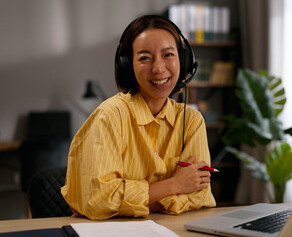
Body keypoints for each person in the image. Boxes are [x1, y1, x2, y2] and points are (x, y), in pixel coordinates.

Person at [61, 15, 216, 220]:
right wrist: (174, 185)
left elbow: (201, 196)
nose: (158, 68)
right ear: (127, 65)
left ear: (184, 61)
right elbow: (100, 201)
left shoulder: (192, 121)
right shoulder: (110, 117)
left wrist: (130, 202)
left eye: (168, 54)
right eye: (144, 58)